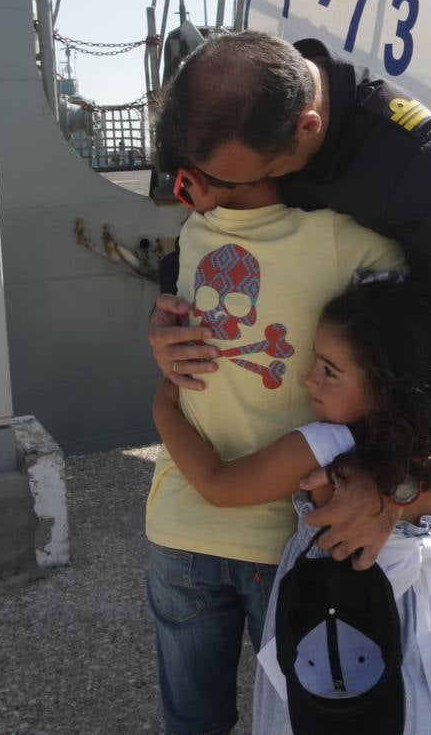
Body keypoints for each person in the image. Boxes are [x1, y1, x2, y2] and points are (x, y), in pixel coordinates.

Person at [148, 30, 431, 568]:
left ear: (308, 127)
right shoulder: (241, 132)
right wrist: (168, 321)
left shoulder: (417, 160)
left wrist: (391, 479)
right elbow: (210, 245)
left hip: (390, 500)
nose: (216, 196)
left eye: (252, 179)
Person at [145, 90, 406, 735]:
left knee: (191, 720)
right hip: (285, 542)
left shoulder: (194, 234)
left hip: (178, 530)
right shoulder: (345, 242)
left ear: (195, 181)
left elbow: (181, 353)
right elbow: (421, 317)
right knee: (301, 716)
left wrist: (160, 396)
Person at [151, 277, 431, 733]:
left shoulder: (325, 446)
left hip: (343, 627)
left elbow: (219, 485)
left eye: (328, 370)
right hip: (426, 631)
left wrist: (164, 407)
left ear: (387, 387)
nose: (309, 379)